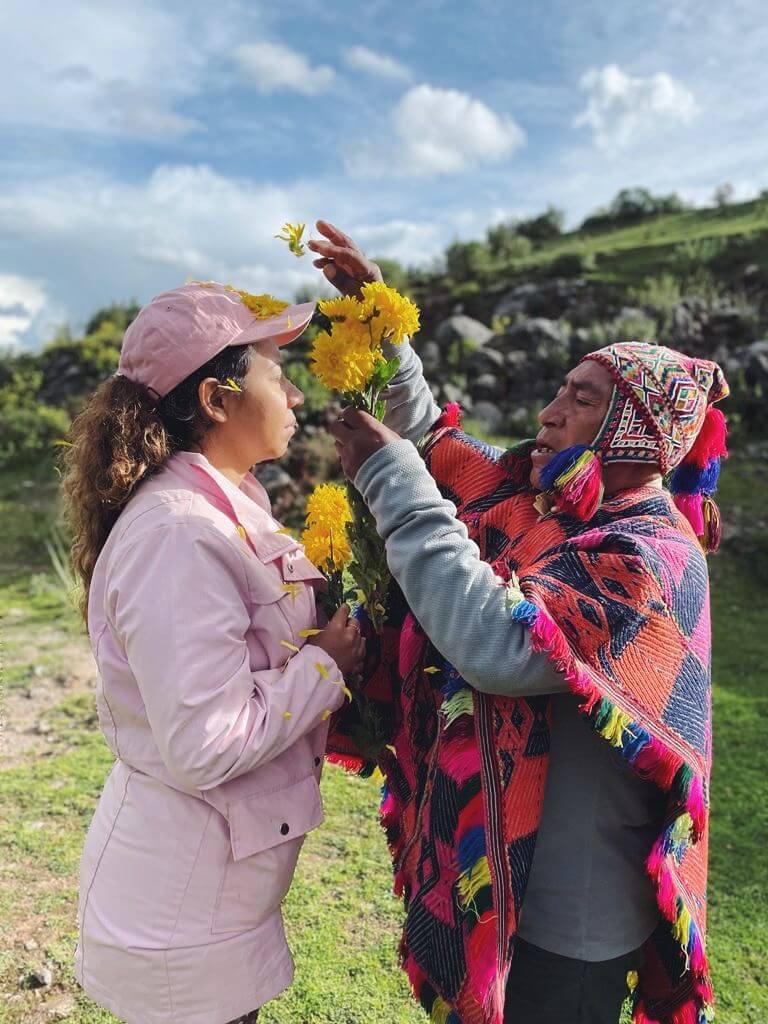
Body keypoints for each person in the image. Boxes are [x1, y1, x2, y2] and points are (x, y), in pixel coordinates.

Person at [311, 224, 726, 1024]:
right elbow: (438, 443)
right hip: (513, 888)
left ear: (636, 429)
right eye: (559, 390)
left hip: (573, 921)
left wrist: (389, 479)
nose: (548, 409)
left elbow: (501, 647)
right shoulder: (551, 506)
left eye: (581, 397)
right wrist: (383, 325)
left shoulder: (649, 555)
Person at [62, 282, 365, 1024]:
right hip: (181, 912)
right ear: (217, 399)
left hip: (206, 894)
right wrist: (326, 664)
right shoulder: (179, 534)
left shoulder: (222, 507)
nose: (294, 394)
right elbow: (206, 741)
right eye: (274, 371)